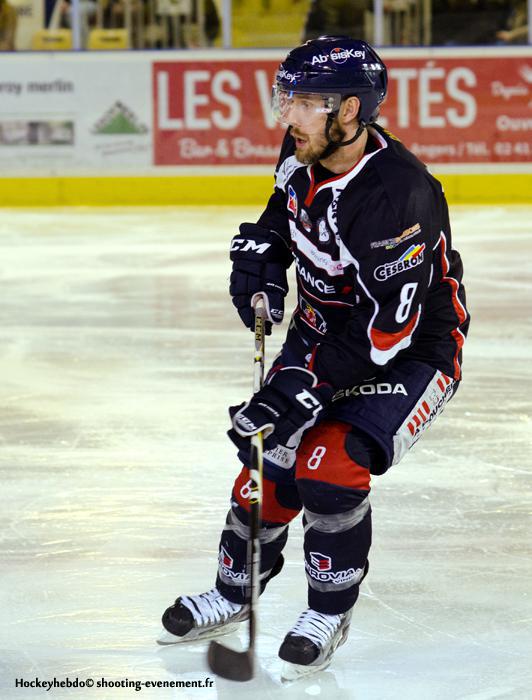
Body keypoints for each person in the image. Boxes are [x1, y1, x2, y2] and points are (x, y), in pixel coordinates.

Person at [158, 35, 470, 680]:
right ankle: (233, 592)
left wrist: (302, 383)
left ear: (349, 110)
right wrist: (267, 259)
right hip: (323, 330)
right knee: (267, 463)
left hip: (411, 351)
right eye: (286, 97)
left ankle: (328, 611)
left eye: (302, 101)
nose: (286, 115)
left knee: (329, 467)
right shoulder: (309, 144)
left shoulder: (395, 199)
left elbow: (386, 335)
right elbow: (284, 206)